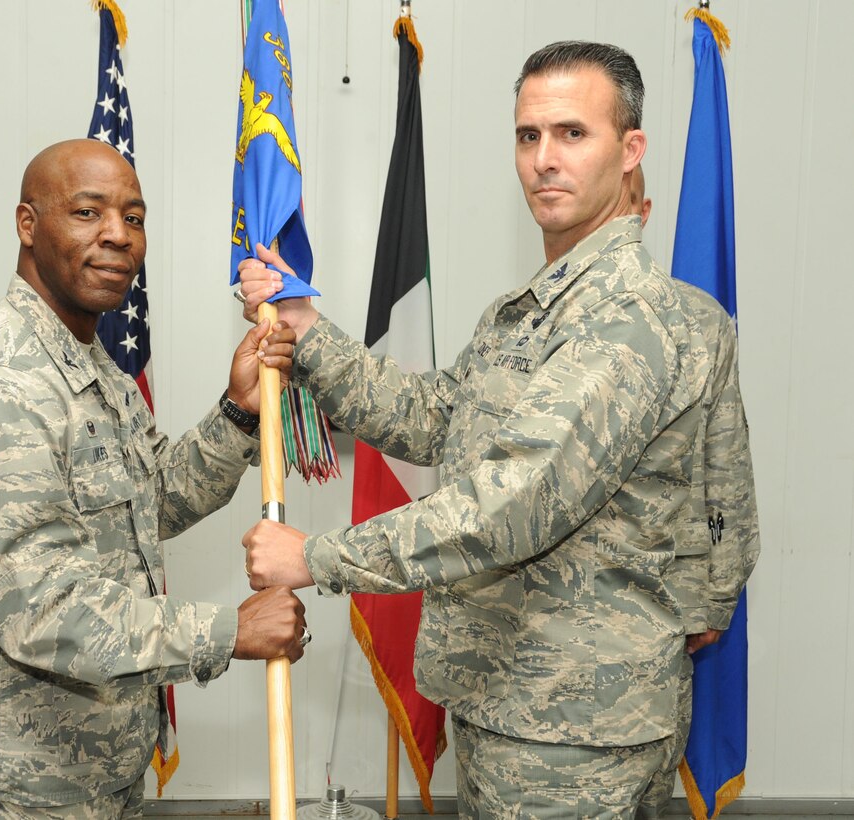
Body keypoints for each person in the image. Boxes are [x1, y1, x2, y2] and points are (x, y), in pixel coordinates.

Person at [237, 42, 711, 818]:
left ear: (631, 151)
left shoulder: (626, 321)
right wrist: (306, 328)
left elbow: (508, 506)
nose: (544, 160)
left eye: (572, 134)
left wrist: (313, 557)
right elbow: (435, 420)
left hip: (576, 732)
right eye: (529, 137)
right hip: (505, 700)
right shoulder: (525, 311)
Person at [0, 139, 308, 819]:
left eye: (134, 218)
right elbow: (44, 612)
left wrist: (237, 413)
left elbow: (149, 504)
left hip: (93, 778)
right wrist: (228, 631)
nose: (117, 236)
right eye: (87, 213)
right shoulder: (2, 386)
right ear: (29, 226)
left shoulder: (94, 371)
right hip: (12, 791)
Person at [630, 166, 760, 819]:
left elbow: (727, 467)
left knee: (647, 792)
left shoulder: (694, 324)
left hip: (659, 617)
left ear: (645, 209)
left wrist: (715, 598)